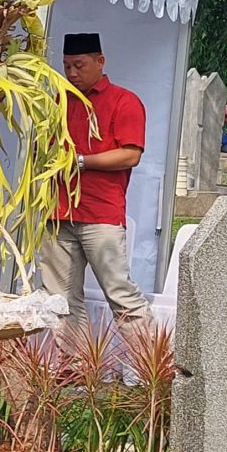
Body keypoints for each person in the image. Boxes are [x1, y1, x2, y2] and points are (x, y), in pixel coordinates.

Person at [39, 32, 150, 331]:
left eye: (79, 65)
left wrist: (80, 162)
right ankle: (69, 372)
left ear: (100, 61)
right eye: (67, 66)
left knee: (120, 295)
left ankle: (154, 370)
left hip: (101, 214)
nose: (72, 73)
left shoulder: (124, 101)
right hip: (58, 212)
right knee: (60, 301)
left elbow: (130, 155)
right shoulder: (59, 100)